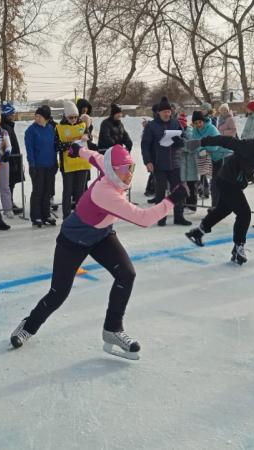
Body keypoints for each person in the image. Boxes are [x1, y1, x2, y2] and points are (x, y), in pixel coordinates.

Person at [9, 143, 188, 358]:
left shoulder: (109, 168)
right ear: (113, 171)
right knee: (59, 293)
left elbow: (93, 156)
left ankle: (112, 329)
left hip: (101, 235)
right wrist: (171, 200)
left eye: (130, 168)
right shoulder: (106, 193)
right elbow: (144, 219)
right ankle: (28, 327)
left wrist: (77, 148)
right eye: (123, 170)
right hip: (73, 241)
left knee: (126, 274)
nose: (128, 175)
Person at [182, 124, 254, 265]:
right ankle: (238, 248)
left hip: (237, 183)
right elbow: (224, 140)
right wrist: (201, 142)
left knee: (223, 210)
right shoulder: (248, 146)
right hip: (226, 180)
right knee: (244, 213)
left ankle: (198, 232)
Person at [141, 96, 190, 226]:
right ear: (159, 113)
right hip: (159, 164)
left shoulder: (176, 123)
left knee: (178, 190)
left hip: (175, 163)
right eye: (165, 112)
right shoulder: (151, 126)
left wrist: (180, 141)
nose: (167, 114)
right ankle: (160, 217)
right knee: (160, 191)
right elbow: (145, 145)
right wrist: (148, 162)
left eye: (169, 111)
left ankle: (179, 216)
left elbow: (184, 138)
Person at [56, 100, 92, 218]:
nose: (74, 120)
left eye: (75, 117)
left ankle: (80, 215)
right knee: (68, 191)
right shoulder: (60, 128)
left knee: (80, 192)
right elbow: (57, 146)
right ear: (66, 117)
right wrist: (72, 143)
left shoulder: (82, 125)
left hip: (82, 163)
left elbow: (89, 137)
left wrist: (88, 136)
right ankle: (66, 215)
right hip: (68, 165)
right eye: (71, 117)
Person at [25, 105, 58, 227]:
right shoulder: (31, 131)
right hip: (37, 166)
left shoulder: (51, 129)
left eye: (40, 116)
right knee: (38, 191)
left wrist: (55, 162)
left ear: (46, 118)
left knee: (48, 191)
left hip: (50, 165)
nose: (37, 118)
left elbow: (53, 148)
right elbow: (30, 150)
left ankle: (46, 215)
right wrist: (32, 165)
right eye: (36, 116)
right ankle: (36, 216)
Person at [189, 111, 221, 206]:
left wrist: (202, 149)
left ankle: (215, 207)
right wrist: (201, 149)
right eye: (196, 123)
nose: (198, 124)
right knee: (201, 179)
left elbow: (215, 146)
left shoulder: (211, 129)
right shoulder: (195, 131)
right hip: (204, 158)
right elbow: (194, 144)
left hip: (217, 157)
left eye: (200, 122)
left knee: (215, 184)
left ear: (203, 121)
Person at [0, 102, 24, 215]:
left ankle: (10, 203)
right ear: (6, 114)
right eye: (12, 113)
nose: (13, 115)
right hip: (9, 160)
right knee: (8, 183)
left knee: (11, 183)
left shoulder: (9, 125)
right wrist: (13, 160)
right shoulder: (4, 126)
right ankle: (8, 204)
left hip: (14, 159)